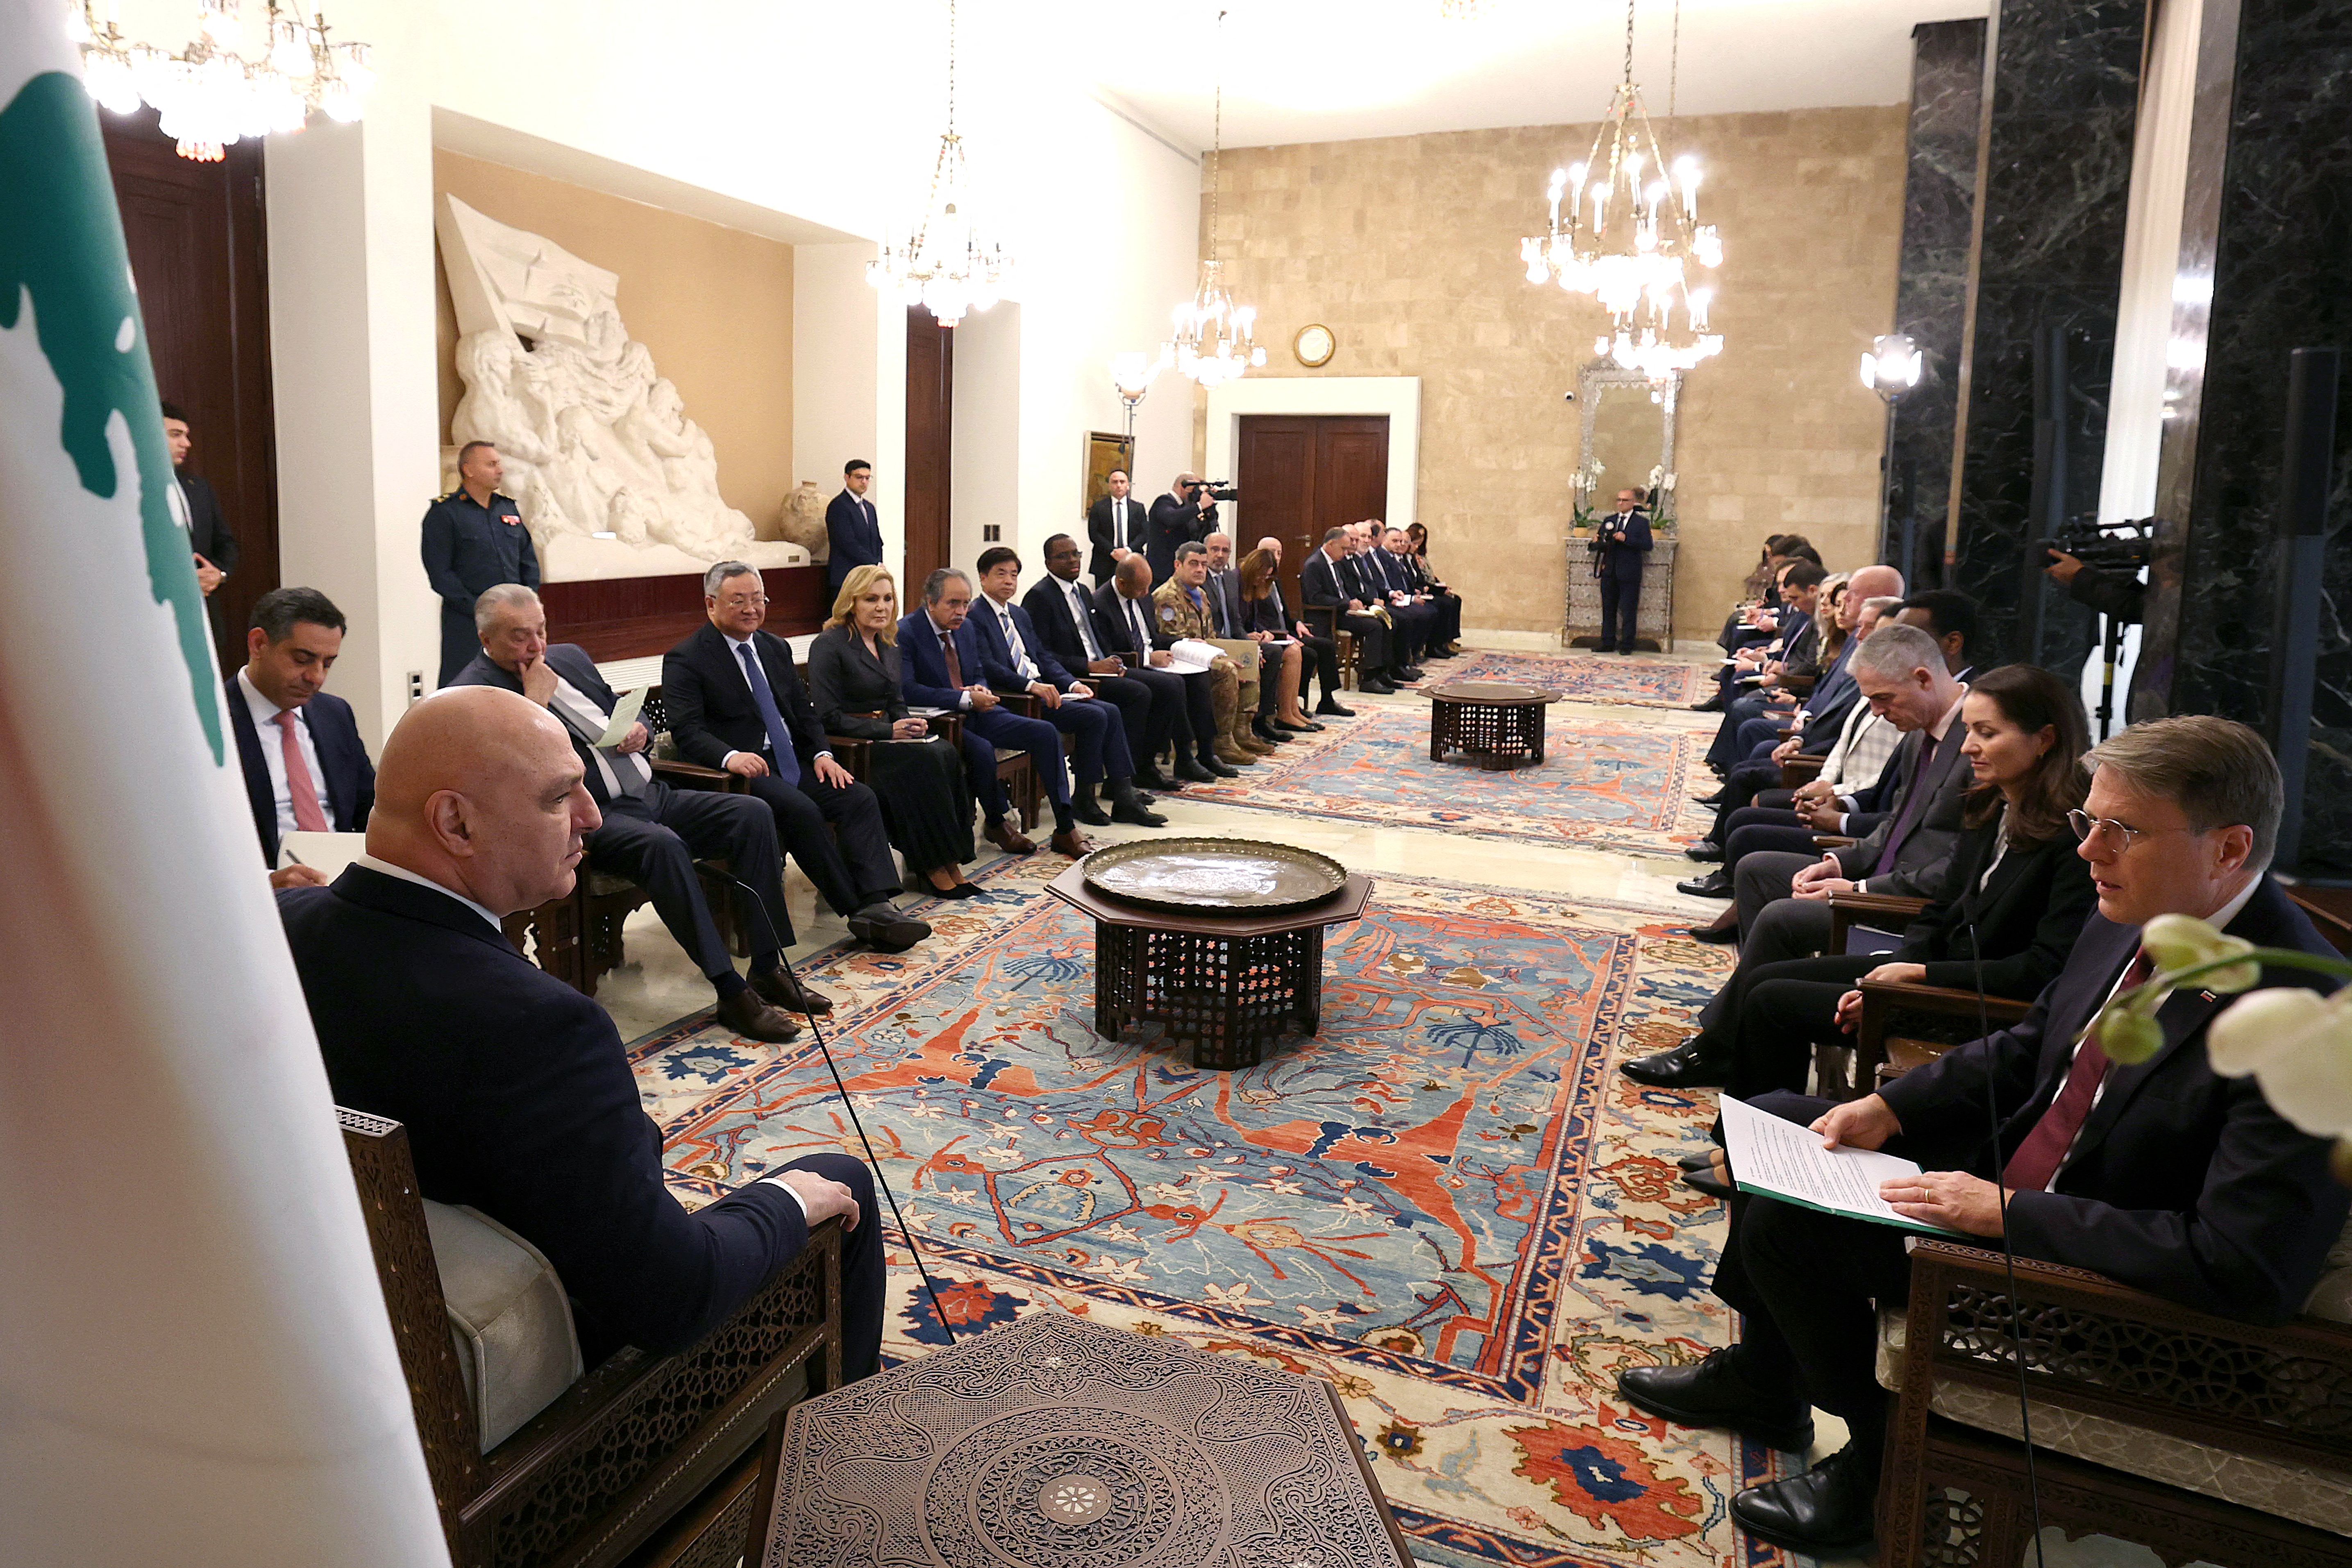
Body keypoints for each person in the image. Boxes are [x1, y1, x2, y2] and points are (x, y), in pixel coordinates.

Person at [1619, 715, 2351, 1554]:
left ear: (2227, 848)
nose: (2088, 849)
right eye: (2087, 821)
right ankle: (1763, 1380)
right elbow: (2033, 1043)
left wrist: (2006, 1213)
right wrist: (1894, 1106)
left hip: (2106, 1285)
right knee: (1789, 1127)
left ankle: (1879, 1459)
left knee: (1792, 1227)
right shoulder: (2139, 907)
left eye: (2121, 829)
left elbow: (2243, 1266)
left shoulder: (2308, 1020)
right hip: (2016, 1172)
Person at [276, 685, 884, 1375]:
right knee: (837, 1180)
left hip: (346, 1313)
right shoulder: (540, 1025)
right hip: (549, 1365)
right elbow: (673, 1298)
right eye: (559, 797)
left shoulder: (276, 930)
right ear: (456, 822)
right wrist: (787, 1199)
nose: (592, 817)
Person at [1627, 663, 2095, 1092]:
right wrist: (1897, 972)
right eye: (1969, 730)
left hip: (1973, 1003)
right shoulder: (1991, 803)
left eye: (1986, 733)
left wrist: (1913, 977)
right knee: (1766, 979)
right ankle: (1749, 1117)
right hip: (1932, 973)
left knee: (1774, 1001)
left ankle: (1754, 1137)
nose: (1967, 745)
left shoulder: (2073, 839)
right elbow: (1941, 909)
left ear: (2044, 739)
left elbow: (2043, 968)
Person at [454, 585, 816, 1038]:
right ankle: (730, 990)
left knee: (752, 813)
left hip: (649, 793)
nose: (536, 645)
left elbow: (625, 709)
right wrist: (535, 703)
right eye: (519, 636)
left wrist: (640, 729)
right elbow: (508, 777)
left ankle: (766, 965)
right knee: (663, 846)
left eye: (541, 630)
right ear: (486, 639)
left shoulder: (569, 657)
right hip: (586, 819)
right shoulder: (472, 694)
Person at [660, 562, 932, 953]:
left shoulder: (774, 647)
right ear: (711, 604)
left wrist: (822, 753)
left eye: (759, 599)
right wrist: (730, 756)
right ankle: (856, 909)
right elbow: (687, 730)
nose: (752, 609)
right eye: (739, 601)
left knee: (858, 797)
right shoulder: (687, 658)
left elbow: (803, 713)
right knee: (801, 810)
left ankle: (878, 902)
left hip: (792, 760)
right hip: (745, 772)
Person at [1696, 622, 1973, 948]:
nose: (1876, 712)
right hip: (1880, 875)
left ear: (1923, 679)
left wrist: (1858, 890)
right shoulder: (1919, 733)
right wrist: (1838, 863)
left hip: (1910, 908)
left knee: (1780, 918)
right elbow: (1896, 824)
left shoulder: (1974, 750)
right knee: (1755, 869)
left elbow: (1958, 868)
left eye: (1883, 698)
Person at [805, 566, 982, 899]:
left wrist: (908, 723)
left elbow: (896, 700)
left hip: (887, 739)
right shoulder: (829, 644)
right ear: (851, 602)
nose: (881, 607)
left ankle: (952, 859)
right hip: (855, 746)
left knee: (945, 751)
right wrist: (888, 730)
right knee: (925, 760)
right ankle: (930, 865)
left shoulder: (887, 642)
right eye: (871, 599)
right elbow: (828, 717)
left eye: (888, 599)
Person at [897, 568, 1095, 859]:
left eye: (965, 603)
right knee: (981, 750)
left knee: (1045, 732)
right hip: (939, 720)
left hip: (977, 711)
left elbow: (978, 670)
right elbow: (908, 689)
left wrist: (980, 687)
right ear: (931, 602)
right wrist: (964, 698)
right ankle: (996, 821)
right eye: (953, 603)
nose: (961, 611)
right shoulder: (907, 632)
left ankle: (1065, 827)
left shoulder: (966, 628)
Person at [971, 546, 1165, 827]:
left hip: (1045, 689)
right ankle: (1084, 799)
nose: (1009, 581)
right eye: (1001, 574)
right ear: (983, 577)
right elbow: (989, 666)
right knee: (1094, 716)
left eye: (1014, 574)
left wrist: (1072, 683)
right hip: (1017, 698)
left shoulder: (1018, 614)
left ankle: (1123, 796)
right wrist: (1031, 686)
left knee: (1109, 711)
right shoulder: (975, 616)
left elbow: (1043, 658)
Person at [1022, 533, 1189, 793]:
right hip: (1077, 675)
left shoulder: (1082, 591)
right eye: (1063, 556)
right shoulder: (1039, 597)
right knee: (1138, 693)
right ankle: (1121, 779)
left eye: (1076, 554)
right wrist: (1089, 667)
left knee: (1170, 686)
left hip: (1102, 667)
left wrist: (1113, 661)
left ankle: (1145, 766)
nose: (1073, 560)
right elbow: (1042, 654)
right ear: (1048, 563)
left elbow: (1096, 638)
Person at [227, 586, 373, 867]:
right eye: (302, 660)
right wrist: (269, 880)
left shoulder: (335, 714)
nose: (316, 677)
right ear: (258, 644)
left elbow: (370, 809)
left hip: (342, 876)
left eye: (328, 664)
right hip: (263, 883)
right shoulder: (213, 723)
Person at [1094, 555, 1232, 782]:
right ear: (1122, 583)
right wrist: (1148, 658)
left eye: (1148, 586)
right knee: (1171, 685)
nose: (1147, 593)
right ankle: (1173, 758)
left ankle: (1206, 752)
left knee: (1199, 676)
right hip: (1127, 667)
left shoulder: (1142, 597)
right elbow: (1108, 653)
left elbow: (1152, 638)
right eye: (1142, 588)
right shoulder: (1101, 604)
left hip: (1153, 660)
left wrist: (1183, 643)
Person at [422, 441, 539, 688]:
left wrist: (526, 602)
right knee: (464, 687)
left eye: (499, 464)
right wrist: (479, 610)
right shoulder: (445, 513)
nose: (500, 470)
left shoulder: (507, 508)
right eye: (492, 464)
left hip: (515, 622)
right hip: (468, 621)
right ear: (469, 470)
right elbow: (440, 573)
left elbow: (527, 559)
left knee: (517, 686)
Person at [1154, 542, 1260, 767]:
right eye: (1193, 564)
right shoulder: (1167, 596)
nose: (1200, 569)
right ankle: (1221, 741)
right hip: (1180, 662)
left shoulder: (1201, 594)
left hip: (1204, 657)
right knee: (1227, 670)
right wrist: (1219, 659)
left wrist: (1227, 655)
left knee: (1249, 661)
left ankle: (1242, 731)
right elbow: (1176, 642)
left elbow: (1210, 637)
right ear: (1178, 565)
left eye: (1203, 565)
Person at [1202, 531, 1305, 747]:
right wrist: (1243, 647)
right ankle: (1239, 730)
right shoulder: (1202, 580)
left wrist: (1250, 645)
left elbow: (1237, 622)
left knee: (1270, 653)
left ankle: (1260, 720)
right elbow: (1209, 628)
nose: (1220, 555)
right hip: (1214, 642)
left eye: (1225, 551)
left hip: (1234, 639)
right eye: (1215, 550)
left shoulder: (1228, 579)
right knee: (1262, 654)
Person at [1251, 535, 1348, 717]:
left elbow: (1284, 613)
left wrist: (1297, 623)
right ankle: (1289, 703)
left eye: (1280, 553)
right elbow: (1256, 619)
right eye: (1271, 552)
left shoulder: (1276, 581)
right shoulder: (1255, 582)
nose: (1276, 557)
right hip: (1273, 636)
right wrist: (1282, 635)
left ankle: (1327, 700)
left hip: (1287, 633)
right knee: (1309, 654)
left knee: (1326, 646)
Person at [162, 401, 237, 628]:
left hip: (203, 615)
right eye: (176, 435)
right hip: (155, 615)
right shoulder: (130, 491)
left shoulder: (199, 488)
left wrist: (219, 574)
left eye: (186, 435)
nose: (186, 444)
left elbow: (226, 544)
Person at [1302, 526, 1400, 694]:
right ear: (1331, 544)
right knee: (1374, 627)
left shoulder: (1335, 561)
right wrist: (1347, 604)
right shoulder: (1314, 564)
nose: (1346, 552)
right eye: (1344, 548)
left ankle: (1382, 671)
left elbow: (1343, 589)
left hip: (1343, 611)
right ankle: (1369, 678)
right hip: (1328, 615)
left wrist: (1354, 603)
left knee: (1386, 621)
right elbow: (1316, 597)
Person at [1237, 547, 1322, 733]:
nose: (1263, 580)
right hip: (1241, 640)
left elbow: (1254, 621)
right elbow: (1237, 622)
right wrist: (1251, 635)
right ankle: (1266, 718)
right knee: (1280, 652)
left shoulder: (1263, 585)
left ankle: (1290, 711)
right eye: (1262, 576)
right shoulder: (1238, 583)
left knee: (1295, 651)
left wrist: (1263, 632)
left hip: (1262, 635)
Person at [1591, 487, 1653, 654]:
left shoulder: (1641, 523)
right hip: (1609, 570)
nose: (1621, 503)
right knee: (1608, 608)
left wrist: (1627, 539)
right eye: (1619, 500)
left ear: (1633, 502)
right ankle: (1607, 642)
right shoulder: (1609, 520)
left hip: (1629, 572)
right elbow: (1600, 544)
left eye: (1625, 500)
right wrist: (1597, 542)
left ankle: (1627, 644)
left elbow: (1648, 545)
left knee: (1628, 610)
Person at [1388, 525, 1460, 650]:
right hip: (1404, 596)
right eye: (1399, 542)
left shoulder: (1410, 558)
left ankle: (1443, 642)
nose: (1402, 545)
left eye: (1405, 542)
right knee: (1437, 606)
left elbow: (1421, 578)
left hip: (1415, 593)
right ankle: (1425, 648)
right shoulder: (1397, 559)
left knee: (1452, 600)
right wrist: (1418, 593)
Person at [1145, 472, 1217, 584]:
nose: (1195, 494)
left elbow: (1199, 537)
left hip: (1183, 573)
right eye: (1194, 489)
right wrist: (1199, 506)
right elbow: (1172, 518)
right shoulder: (1163, 502)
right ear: (1183, 486)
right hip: (1162, 574)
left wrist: (1209, 512)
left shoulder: (1187, 509)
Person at [825, 460, 883, 594]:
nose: (864, 482)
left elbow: (877, 541)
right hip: (846, 577)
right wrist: (874, 563)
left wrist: (878, 565)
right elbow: (847, 543)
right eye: (859, 477)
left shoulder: (869, 507)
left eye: (867, 478)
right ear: (847, 477)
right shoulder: (839, 506)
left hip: (868, 576)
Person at [1085, 469, 1147, 584]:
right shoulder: (1098, 507)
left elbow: (1144, 534)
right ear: (1109, 485)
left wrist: (1127, 550)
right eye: (1115, 482)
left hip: (1132, 560)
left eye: (1122, 482)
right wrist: (1113, 551)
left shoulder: (1138, 508)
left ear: (1128, 486)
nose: (1119, 486)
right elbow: (1094, 534)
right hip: (1105, 560)